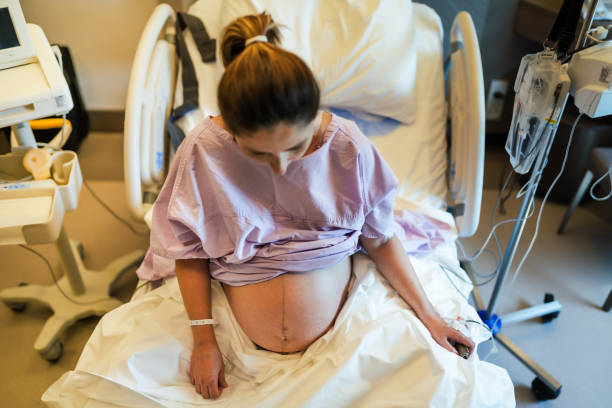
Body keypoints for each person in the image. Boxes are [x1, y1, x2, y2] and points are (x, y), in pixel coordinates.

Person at [136, 12, 474, 400]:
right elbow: (189, 251)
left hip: (347, 329)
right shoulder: (203, 150)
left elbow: (379, 239)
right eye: (259, 153)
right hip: (232, 334)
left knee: (444, 388)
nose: (282, 167)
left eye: (296, 147)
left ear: (312, 115)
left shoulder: (349, 146)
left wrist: (430, 316)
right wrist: (204, 341)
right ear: (231, 128)